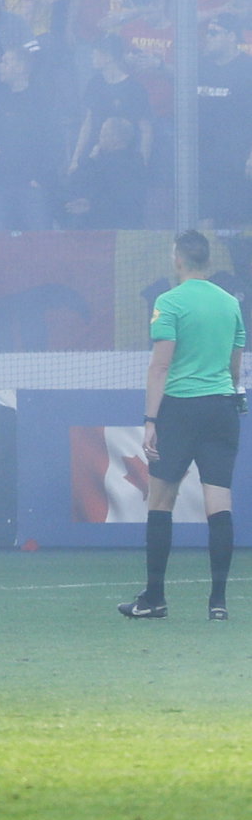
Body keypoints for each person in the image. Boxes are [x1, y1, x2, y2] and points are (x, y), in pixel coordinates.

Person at [123, 229, 248, 621]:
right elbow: (235, 364)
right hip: (221, 408)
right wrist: (231, 393)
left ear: (177, 259)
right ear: (207, 260)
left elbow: (160, 365)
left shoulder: (169, 301)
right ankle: (218, 603)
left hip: (179, 409)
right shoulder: (230, 303)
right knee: (219, 502)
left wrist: (149, 421)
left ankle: (155, 599)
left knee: (160, 502)